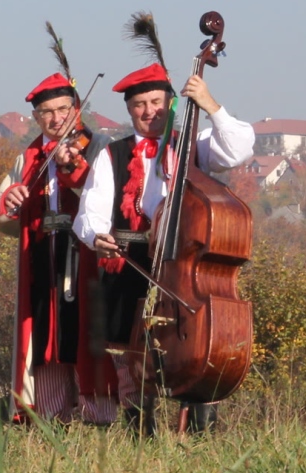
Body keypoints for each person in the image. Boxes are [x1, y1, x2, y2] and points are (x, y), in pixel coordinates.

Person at [73, 63, 255, 432]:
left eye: (156, 102)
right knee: (130, 355)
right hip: (130, 263)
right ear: (129, 109)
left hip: (184, 266)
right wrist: (97, 237)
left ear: (170, 103)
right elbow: (89, 212)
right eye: (139, 104)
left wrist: (210, 105)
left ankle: (200, 429)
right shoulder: (112, 154)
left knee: (198, 346)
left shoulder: (193, 148)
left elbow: (238, 151)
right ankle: (141, 432)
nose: (148, 111)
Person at [0, 73, 114, 424]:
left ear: (76, 109)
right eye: (46, 112)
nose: (56, 118)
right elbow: (3, 218)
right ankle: (49, 417)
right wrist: (10, 202)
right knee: (45, 334)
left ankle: (98, 416)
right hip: (43, 258)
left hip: (86, 255)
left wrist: (72, 166)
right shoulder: (27, 158)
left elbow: (106, 201)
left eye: (63, 109)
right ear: (36, 117)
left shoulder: (100, 148)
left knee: (86, 332)